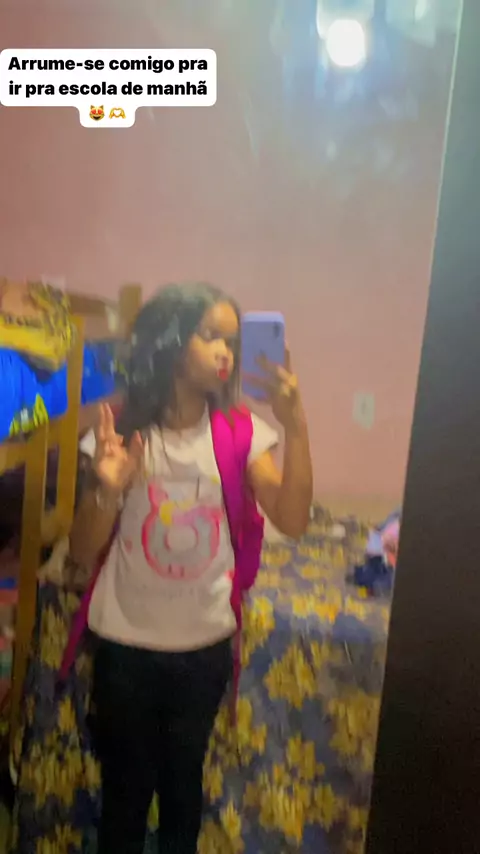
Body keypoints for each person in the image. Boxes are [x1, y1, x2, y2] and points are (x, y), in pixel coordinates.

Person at [70, 282, 312, 854]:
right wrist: (107, 490)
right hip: (125, 648)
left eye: (232, 341)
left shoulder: (242, 433)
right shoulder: (118, 429)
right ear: (172, 340)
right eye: (211, 336)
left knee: (182, 792)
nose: (226, 352)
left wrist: (296, 426)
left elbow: (293, 519)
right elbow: (81, 552)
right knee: (125, 795)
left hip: (203, 649)